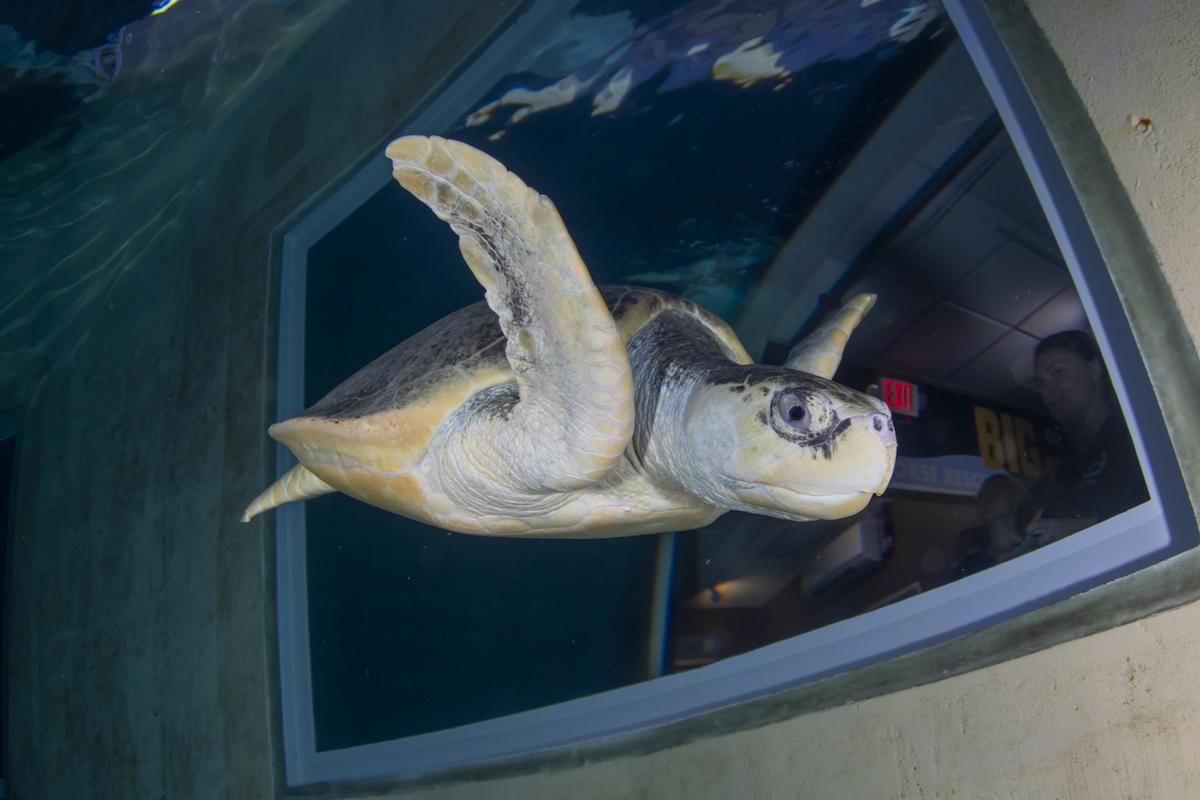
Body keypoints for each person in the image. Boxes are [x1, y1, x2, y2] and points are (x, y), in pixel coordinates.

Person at [1024, 330, 1148, 544]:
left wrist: (1082, 529)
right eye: (1041, 383)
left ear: (1093, 369)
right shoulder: (1067, 467)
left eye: (1058, 372)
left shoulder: (1139, 433)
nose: (1047, 390)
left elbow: (1172, 509)